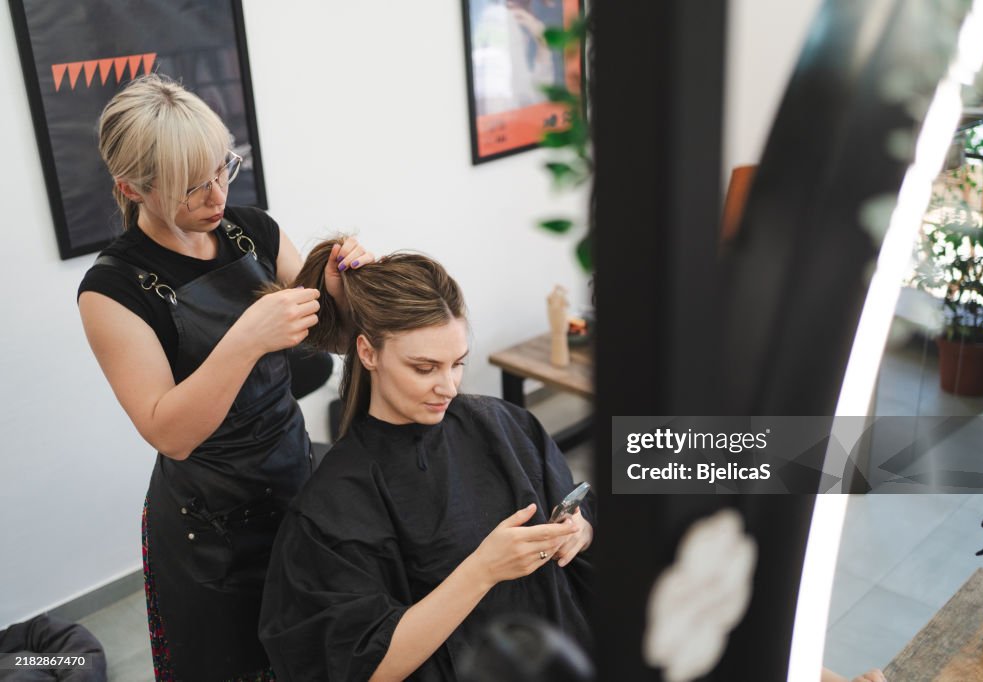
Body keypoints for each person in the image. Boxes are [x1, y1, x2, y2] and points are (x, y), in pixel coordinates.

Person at [77, 74, 371, 680]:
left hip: (295, 481)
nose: (216, 195)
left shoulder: (252, 231)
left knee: (316, 651)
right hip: (209, 531)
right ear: (130, 188)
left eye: (222, 170)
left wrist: (345, 293)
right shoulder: (113, 290)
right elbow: (170, 432)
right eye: (192, 187)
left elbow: (335, 341)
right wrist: (246, 340)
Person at [258, 246, 595, 681]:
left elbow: (580, 521)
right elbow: (363, 666)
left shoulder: (504, 424)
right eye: (424, 368)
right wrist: (483, 570)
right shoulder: (335, 504)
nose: (448, 387)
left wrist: (579, 532)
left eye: (457, 364)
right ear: (368, 352)